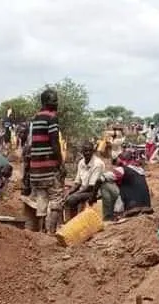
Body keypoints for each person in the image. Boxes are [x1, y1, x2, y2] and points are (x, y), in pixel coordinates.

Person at [28, 88, 66, 233]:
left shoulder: (36, 118)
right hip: (49, 167)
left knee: (41, 199)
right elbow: (54, 143)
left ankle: (41, 231)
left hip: (36, 169)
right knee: (56, 198)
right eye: (53, 100)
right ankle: (50, 233)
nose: (56, 103)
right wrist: (60, 163)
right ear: (45, 102)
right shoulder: (52, 118)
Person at [66, 141, 105, 218]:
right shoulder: (81, 163)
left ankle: (73, 221)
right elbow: (77, 183)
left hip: (94, 192)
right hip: (84, 190)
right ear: (82, 152)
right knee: (64, 197)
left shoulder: (97, 164)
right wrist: (68, 192)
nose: (87, 153)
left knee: (72, 199)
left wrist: (75, 194)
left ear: (93, 151)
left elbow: (91, 186)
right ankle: (69, 221)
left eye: (90, 151)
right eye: (85, 151)